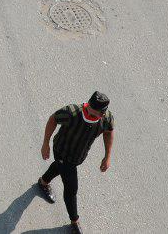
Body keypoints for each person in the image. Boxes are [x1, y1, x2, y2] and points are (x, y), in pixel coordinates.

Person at [35, 91, 114, 234]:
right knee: (71, 189)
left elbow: (109, 132)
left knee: (60, 167)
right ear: (88, 106)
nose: (100, 116)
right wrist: (45, 143)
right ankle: (74, 221)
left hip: (78, 156)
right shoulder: (71, 112)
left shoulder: (106, 118)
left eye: (101, 113)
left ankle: (43, 182)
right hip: (62, 151)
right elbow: (53, 119)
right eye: (95, 112)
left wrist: (107, 156)